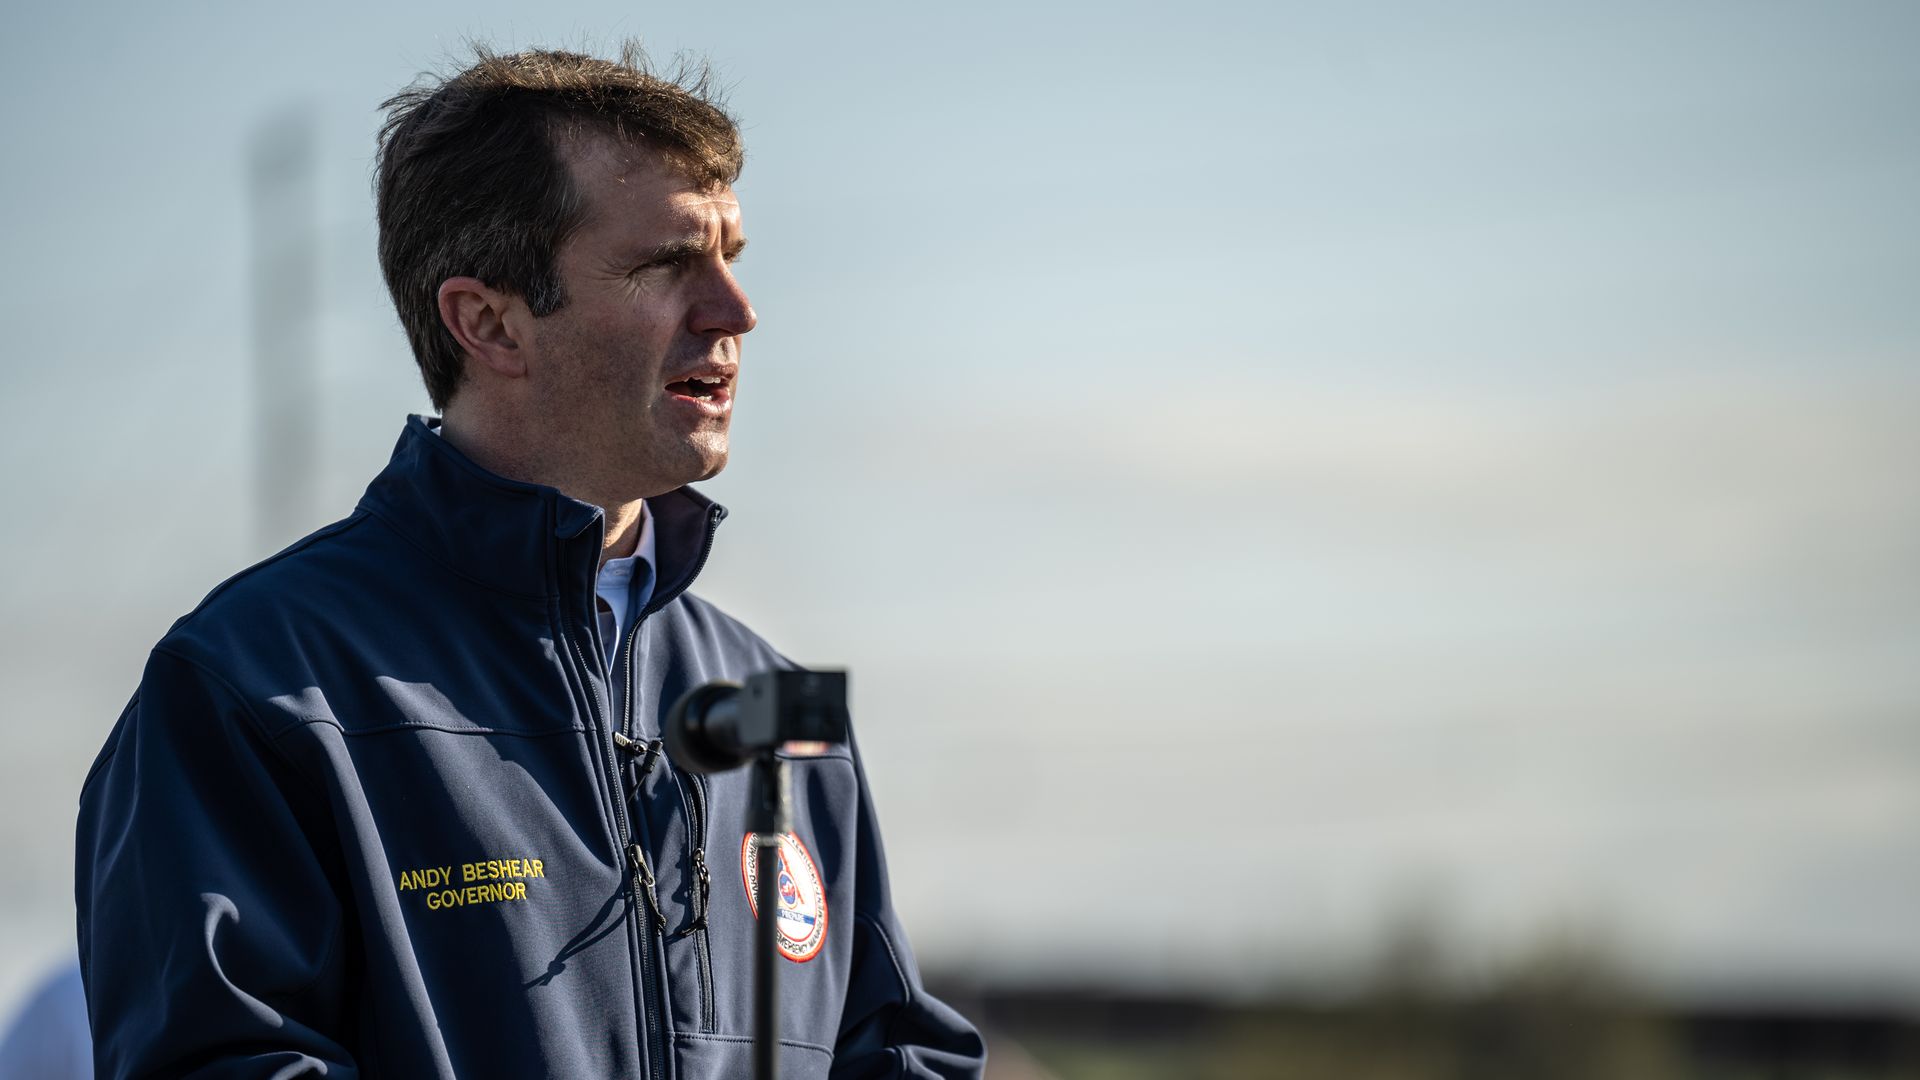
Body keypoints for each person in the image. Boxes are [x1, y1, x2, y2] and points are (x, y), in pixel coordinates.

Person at [75, 46, 985, 1079]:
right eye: (665, 265)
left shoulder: (780, 709)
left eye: (732, 255)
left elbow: (892, 1052)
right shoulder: (251, 689)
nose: (735, 312)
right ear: (489, 322)